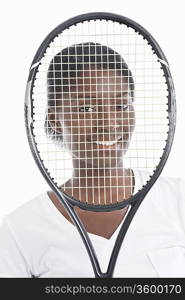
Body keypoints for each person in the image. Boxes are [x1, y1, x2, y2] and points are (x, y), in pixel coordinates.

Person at [0, 43, 185, 278]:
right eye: (86, 108)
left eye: (121, 106)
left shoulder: (179, 200)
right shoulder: (20, 230)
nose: (108, 123)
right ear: (56, 119)